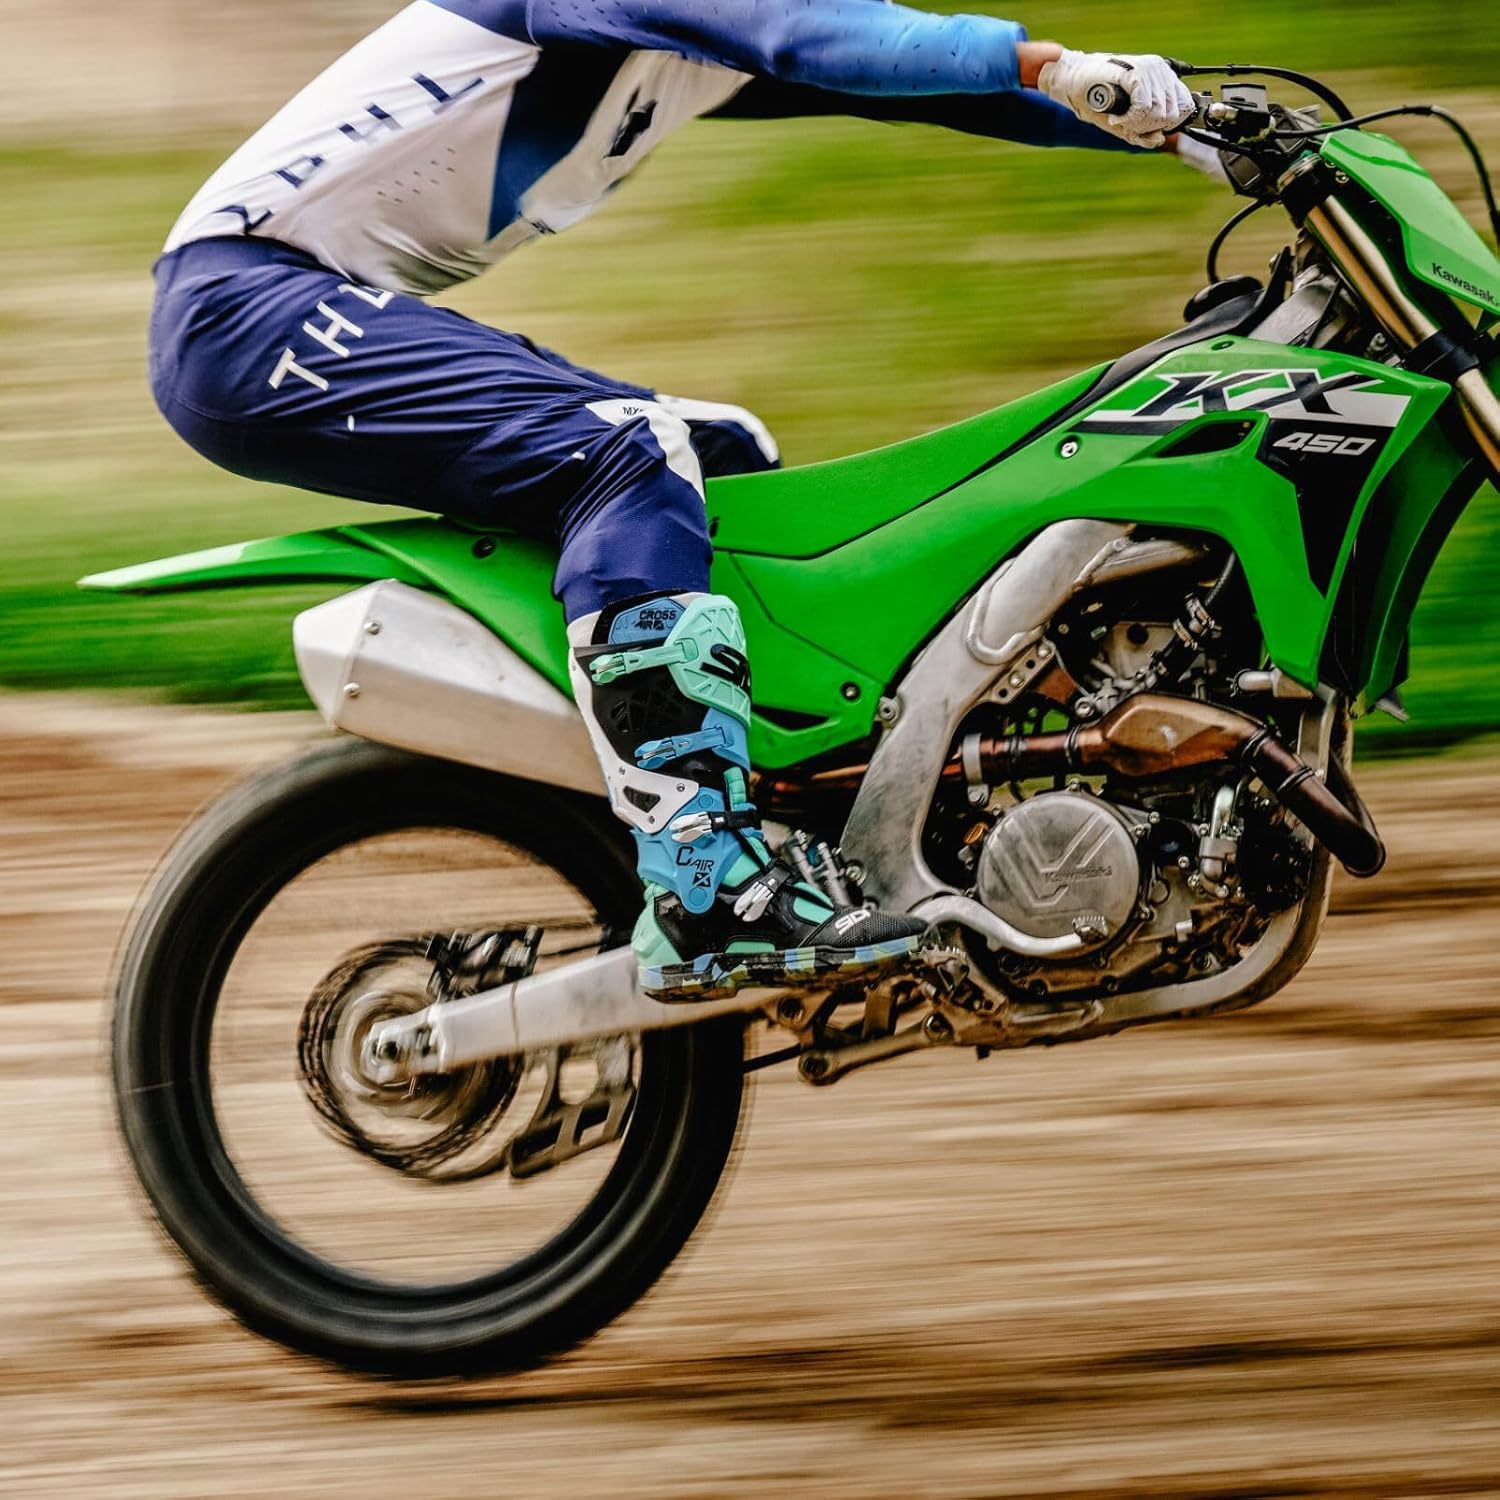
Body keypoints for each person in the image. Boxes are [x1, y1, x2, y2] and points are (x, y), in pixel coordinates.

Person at [149, 0, 1212, 999]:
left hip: (295, 308)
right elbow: (808, 35)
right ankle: (706, 879)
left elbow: (917, 82)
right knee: (632, 455)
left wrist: (1181, 127)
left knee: (722, 455)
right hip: (247, 313)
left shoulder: (687, 47)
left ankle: (776, 819)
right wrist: (1051, 64)